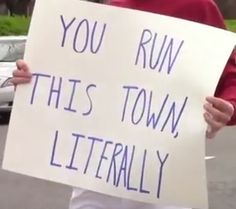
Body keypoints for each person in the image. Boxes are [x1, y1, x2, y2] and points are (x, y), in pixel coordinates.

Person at [11, 0, 236, 209]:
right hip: (96, 175)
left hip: (164, 177)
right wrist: (34, 79)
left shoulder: (197, 6)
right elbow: (76, 83)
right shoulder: (109, 10)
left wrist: (227, 108)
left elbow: (231, 76)